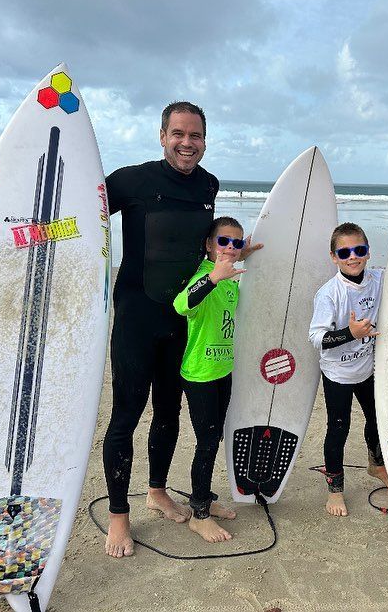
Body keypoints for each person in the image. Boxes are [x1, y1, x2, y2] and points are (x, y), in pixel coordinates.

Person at [0, 101, 261, 558]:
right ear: (162, 136)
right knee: (126, 415)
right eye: (178, 134)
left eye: (195, 136)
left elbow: (202, 249)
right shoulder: (133, 180)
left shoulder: (208, 185)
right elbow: (71, 210)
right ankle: (119, 516)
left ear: (205, 140)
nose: (187, 143)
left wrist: (235, 257)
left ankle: (157, 491)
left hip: (183, 320)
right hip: (137, 316)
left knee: (169, 414)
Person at [308, 222, 388, 517]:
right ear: (334, 257)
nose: (352, 257)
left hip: (367, 369)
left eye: (359, 250)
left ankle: (375, 465)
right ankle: (335, 491)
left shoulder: (379, 279)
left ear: (368, 252)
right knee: (338, 429)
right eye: (344, 252)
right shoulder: (329, 294)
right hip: (338, 375)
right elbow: (316, 338)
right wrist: (349, 334)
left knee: (378, 419)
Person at [173, 217, 246, 543]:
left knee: (213, 438)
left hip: (224, 370)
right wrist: (214, 277)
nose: (230, 248)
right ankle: (199, 514)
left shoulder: (231, 275)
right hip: (201, 374)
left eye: (237, 243)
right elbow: (181, 304)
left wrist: (243, 255)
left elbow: (234, 258)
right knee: (206, 442)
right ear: (208, 245)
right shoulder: (205, 275)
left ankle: (203, 497)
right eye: (223, 242)